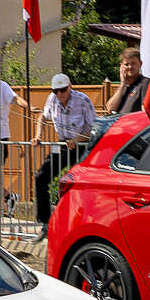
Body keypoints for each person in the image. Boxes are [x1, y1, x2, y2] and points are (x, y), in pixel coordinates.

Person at [36, 74, 98, 230]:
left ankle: (84, 223)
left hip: (82, 146)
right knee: (41, 177)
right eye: (55, 91)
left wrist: (77, 139)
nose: (59, 94)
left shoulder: (82, 100)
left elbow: (95, 127)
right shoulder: (52, 99)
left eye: (62, 90)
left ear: (69, 87)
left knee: (78, 184)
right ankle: (45, 222)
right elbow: (42, 117)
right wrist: (38, 136)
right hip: (62, 145)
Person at [104, 49, 148, 115]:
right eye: (126, 64)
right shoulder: (123, 87)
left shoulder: (145, 83)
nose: (130, 67)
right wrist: (122, 85)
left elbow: (145, 113)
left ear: (140, 64)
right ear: (121, 66)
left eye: (133, 63)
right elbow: (110, 109)